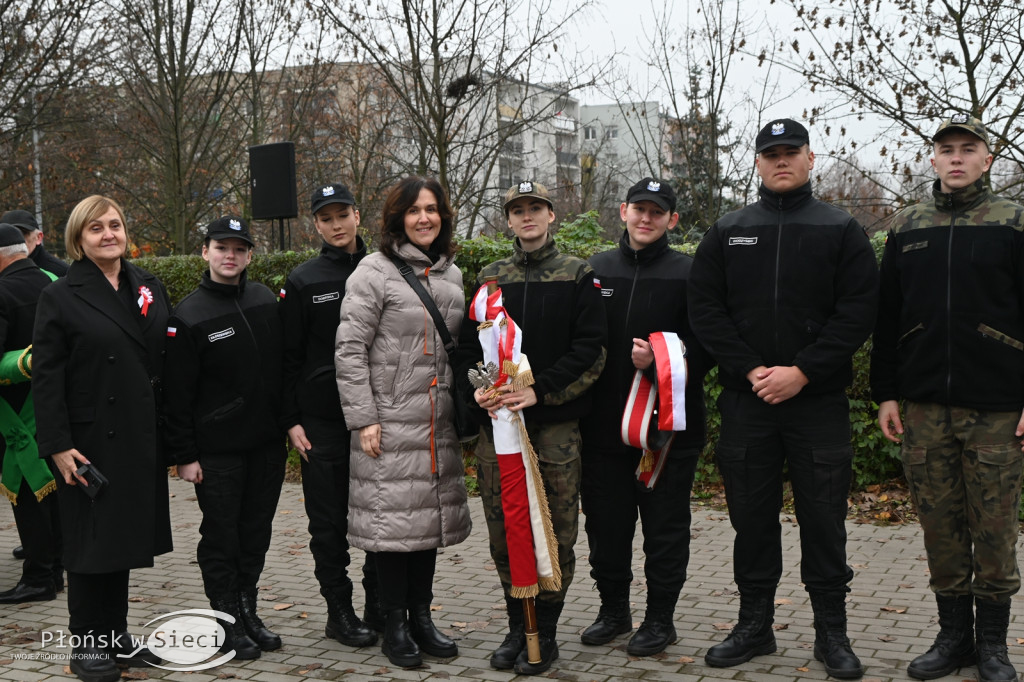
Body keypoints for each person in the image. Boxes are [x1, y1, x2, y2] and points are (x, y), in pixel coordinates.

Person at [688, 118, 878, 679]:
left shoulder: (840, 228)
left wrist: (801, 372)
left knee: (824, 520)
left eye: (790, 151)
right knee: (751, 520)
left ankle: (831, 634)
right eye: (770, 153)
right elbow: (706, 312)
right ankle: (755, 627)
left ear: (810, 158)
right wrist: (751, 370)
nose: (781, 161)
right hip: (749, 403)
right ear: (757, 162)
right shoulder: (728, 230)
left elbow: (858, 312)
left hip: (817, 404)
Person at [870, 114, 1024, 682]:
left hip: (999, 408)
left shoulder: (1014, 223)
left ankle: (992, 647)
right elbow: (888, 319)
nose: (956, 158)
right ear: (933, 160)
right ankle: (953, 638)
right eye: (946, 150)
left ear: (988, 159)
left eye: (968, 149)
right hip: (924, 406)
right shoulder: (908, 227)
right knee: (940, 527)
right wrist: (885, 393)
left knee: (995, 529)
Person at [458, 180, 607, 674]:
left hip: (553, 428)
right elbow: (466, 349)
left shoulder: (577, 274)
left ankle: (545, 628)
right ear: (508, 220)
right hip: (498, 428)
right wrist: (476, 389)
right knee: (504, 528)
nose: (527, 217)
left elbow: (590, 351)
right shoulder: (490, 279)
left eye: (535, 209)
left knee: (556, 529)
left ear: (551, 215)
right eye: (517, 210)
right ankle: (514, 626)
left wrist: (539, 390)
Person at [32, 195, 172, 682]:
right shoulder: (62, 294)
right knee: (90, 545)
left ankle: (115, 635)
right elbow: (46, 378)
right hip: (86, 442)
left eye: (115, 225)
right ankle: (87, 642)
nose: (108, 234)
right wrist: (55, 444)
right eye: (96, 229)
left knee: (121, 541)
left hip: (137, 436)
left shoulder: (148, 285)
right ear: (78, 238)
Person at [335, 175, 471, 669]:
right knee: (392, 527)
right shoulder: (372, 272)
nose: (424, 218)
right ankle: (393, 622)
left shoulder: (453, 275)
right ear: (397, 217)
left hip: (437, 422)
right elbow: (349, 350)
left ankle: (421, 616)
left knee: (427, 522)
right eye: (414, 210)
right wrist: (364, 418)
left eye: (432, 209)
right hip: (388, 423)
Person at [579, 178, 710, 656]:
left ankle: (660, 620)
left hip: (669, 432)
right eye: (640, 209)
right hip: (603, 430)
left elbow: (710, 345)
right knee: (606, 528)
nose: (647, 218)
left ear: (672, 220)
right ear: (623, 212)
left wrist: (661, 360)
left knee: (665, 531)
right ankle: (614, 610)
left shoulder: (691, 273)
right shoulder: (594, 270)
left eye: (658, 212)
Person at [162, 216, 286, 660]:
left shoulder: (264, 298)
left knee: (255, 534)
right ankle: (225, 618)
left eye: (238, 248)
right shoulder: (188, 315)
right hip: (216, 454)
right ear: (205, 252)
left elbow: (282, 371)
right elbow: (177, 396)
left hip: (267, 446)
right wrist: (184, 455)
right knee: (222, 538)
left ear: (250, 255)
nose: (229, 255)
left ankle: (247, 609)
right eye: (221, 247)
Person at [280, 183, 377, 648]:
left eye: (342, 215)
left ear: (358, 216)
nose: (336, 225)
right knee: (328, 523)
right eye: (326, 218)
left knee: (383, 517)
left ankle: (381, 608)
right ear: (315, 224)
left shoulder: (386, 269)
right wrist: (291, 419)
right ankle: (339, 612)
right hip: (320, 422)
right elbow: (287, 357)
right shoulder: (303, 280)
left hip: (380, 416)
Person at [0, 223, 62, 605]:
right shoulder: (54, 282)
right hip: (55, 405)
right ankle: (55, 570)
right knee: (52, 494)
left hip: (17, 413)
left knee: (26, 493)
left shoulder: (2, 292)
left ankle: (39, 576)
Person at [1, 209, 69, 277]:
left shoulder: (61, 272)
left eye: (23, 234)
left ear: (39, 237)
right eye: (8, 234)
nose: (16, 239)